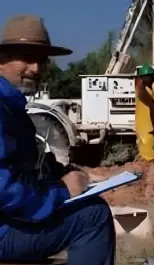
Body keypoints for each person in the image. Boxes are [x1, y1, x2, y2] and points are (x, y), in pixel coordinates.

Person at [0, 15, 115, 265]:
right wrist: (62, 191)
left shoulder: (12, 107)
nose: (36, 69)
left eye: (42, 60)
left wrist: (72, 173)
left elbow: (26, 164)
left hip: (9, 220)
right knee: (93, 216)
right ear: (2, 60)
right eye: (27, 58)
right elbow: (3, 189)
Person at [134, 64, 154, 163]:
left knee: (146, 155)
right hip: (145, 130)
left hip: (149, 128)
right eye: (149, 76)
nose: (152, 78)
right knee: (148, 157)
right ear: (143, 78)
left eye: (152, 76)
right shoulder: (142, 90)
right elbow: (140, 90)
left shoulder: (151, 91)